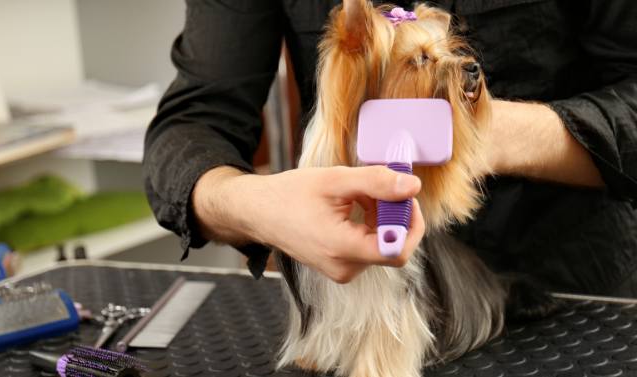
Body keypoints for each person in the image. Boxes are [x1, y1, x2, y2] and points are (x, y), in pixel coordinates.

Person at [143, 1, 637, 295]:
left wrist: (480, 135)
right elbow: (195, 119)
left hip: (570, 287)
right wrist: (253, 205)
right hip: (349, 281)